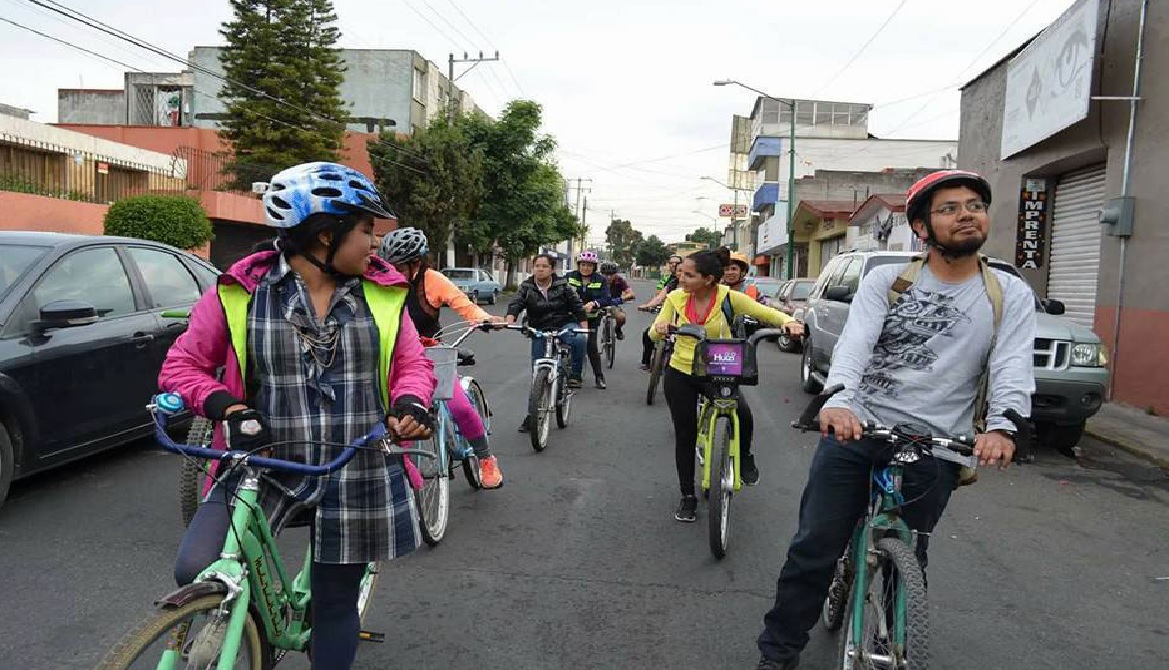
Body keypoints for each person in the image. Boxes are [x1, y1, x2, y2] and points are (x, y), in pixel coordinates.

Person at [158, 162, 436, 670]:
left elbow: (412, 364)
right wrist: (228, 407)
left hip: (357, 464)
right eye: (366, 230)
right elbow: (182, 366)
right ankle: (254, 630)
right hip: (263, 461)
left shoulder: (382, 293)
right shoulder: (240, 291)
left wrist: (410, 402)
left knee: (334, 601)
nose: (375, 243)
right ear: (326, 235)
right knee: (195, 566)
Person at [754, 170, 1036, 670]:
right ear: (922, 227)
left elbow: (1012, 364)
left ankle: (891, 644)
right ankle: (778, 653)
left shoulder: (1008, 293)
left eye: (974, 206)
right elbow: (855, 346)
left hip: (937, 441)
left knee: (909, 555)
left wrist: (1002, 427)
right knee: (815, 548)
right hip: (859, 427)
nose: (966, 215)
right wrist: (838, 401)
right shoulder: (888, 281)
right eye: (949, 208)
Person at [649, 247, 802, 522]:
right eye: (681, 273)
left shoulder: (729, 298)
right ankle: (687, 496)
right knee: (685, 435)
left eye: (689, 275)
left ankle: (744, 456)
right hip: (681, 370)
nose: (681, 278)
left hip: (719, 368)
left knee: (743, 413)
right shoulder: (674, 298)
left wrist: (790, 322)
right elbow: (654, 330)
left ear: (708, 279)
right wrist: (659, 329)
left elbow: (767, 313)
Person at [377, 226, 507, 489]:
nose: (393, 272)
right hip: (393, 356)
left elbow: (463, 304)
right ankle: (404, 472)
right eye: (390, 266)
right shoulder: (380, 281)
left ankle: (485, 458)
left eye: (399, 267)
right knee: (395, 417)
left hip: (431, 351)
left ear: (416, 264)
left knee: (459, 406)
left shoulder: (432, 280)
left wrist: (485, 319)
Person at [506, 253, 588, 430]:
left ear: (552, 269)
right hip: (539, 328)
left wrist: (584, 327)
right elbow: (516, 303)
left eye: (544, 266)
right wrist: (510, 319)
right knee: (537, 373)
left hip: (563, 324)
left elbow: (577, 306)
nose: (540, 269)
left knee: (579, 339)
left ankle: (575, 375)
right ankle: (531, 416)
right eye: (537, 266)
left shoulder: (563, 285)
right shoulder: (527, 286)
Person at [567, 251, 622, 389]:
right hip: (571, 317)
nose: (586, 268)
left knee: (590, 345)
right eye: (583, 265)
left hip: (591, 319)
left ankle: (599, 376)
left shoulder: (600, 280)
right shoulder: (569, 277)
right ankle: (570, 374)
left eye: (589, 265)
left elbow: (606, 298)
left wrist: (594, 303)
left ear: (594, 267)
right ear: (578, 265)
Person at [638, 260, 683, 370]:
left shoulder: (697, 288)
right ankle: (646, 362)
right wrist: (647, 305)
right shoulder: (671, 285)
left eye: (686, 272)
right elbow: (659, 298)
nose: (682, 274)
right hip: (670, 318)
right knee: (648, 334)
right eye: (679, 271)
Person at [600, 260, 635, 339]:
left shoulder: (620, 280)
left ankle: (618, 329)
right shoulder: (597, 279)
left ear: (615, 274)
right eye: (606, 274)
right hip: (598, 305)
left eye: (611, 274)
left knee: (621, 317)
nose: (609, 277)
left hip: (613, 305)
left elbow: (631, 293)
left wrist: (621, 299)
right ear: (601, 274)